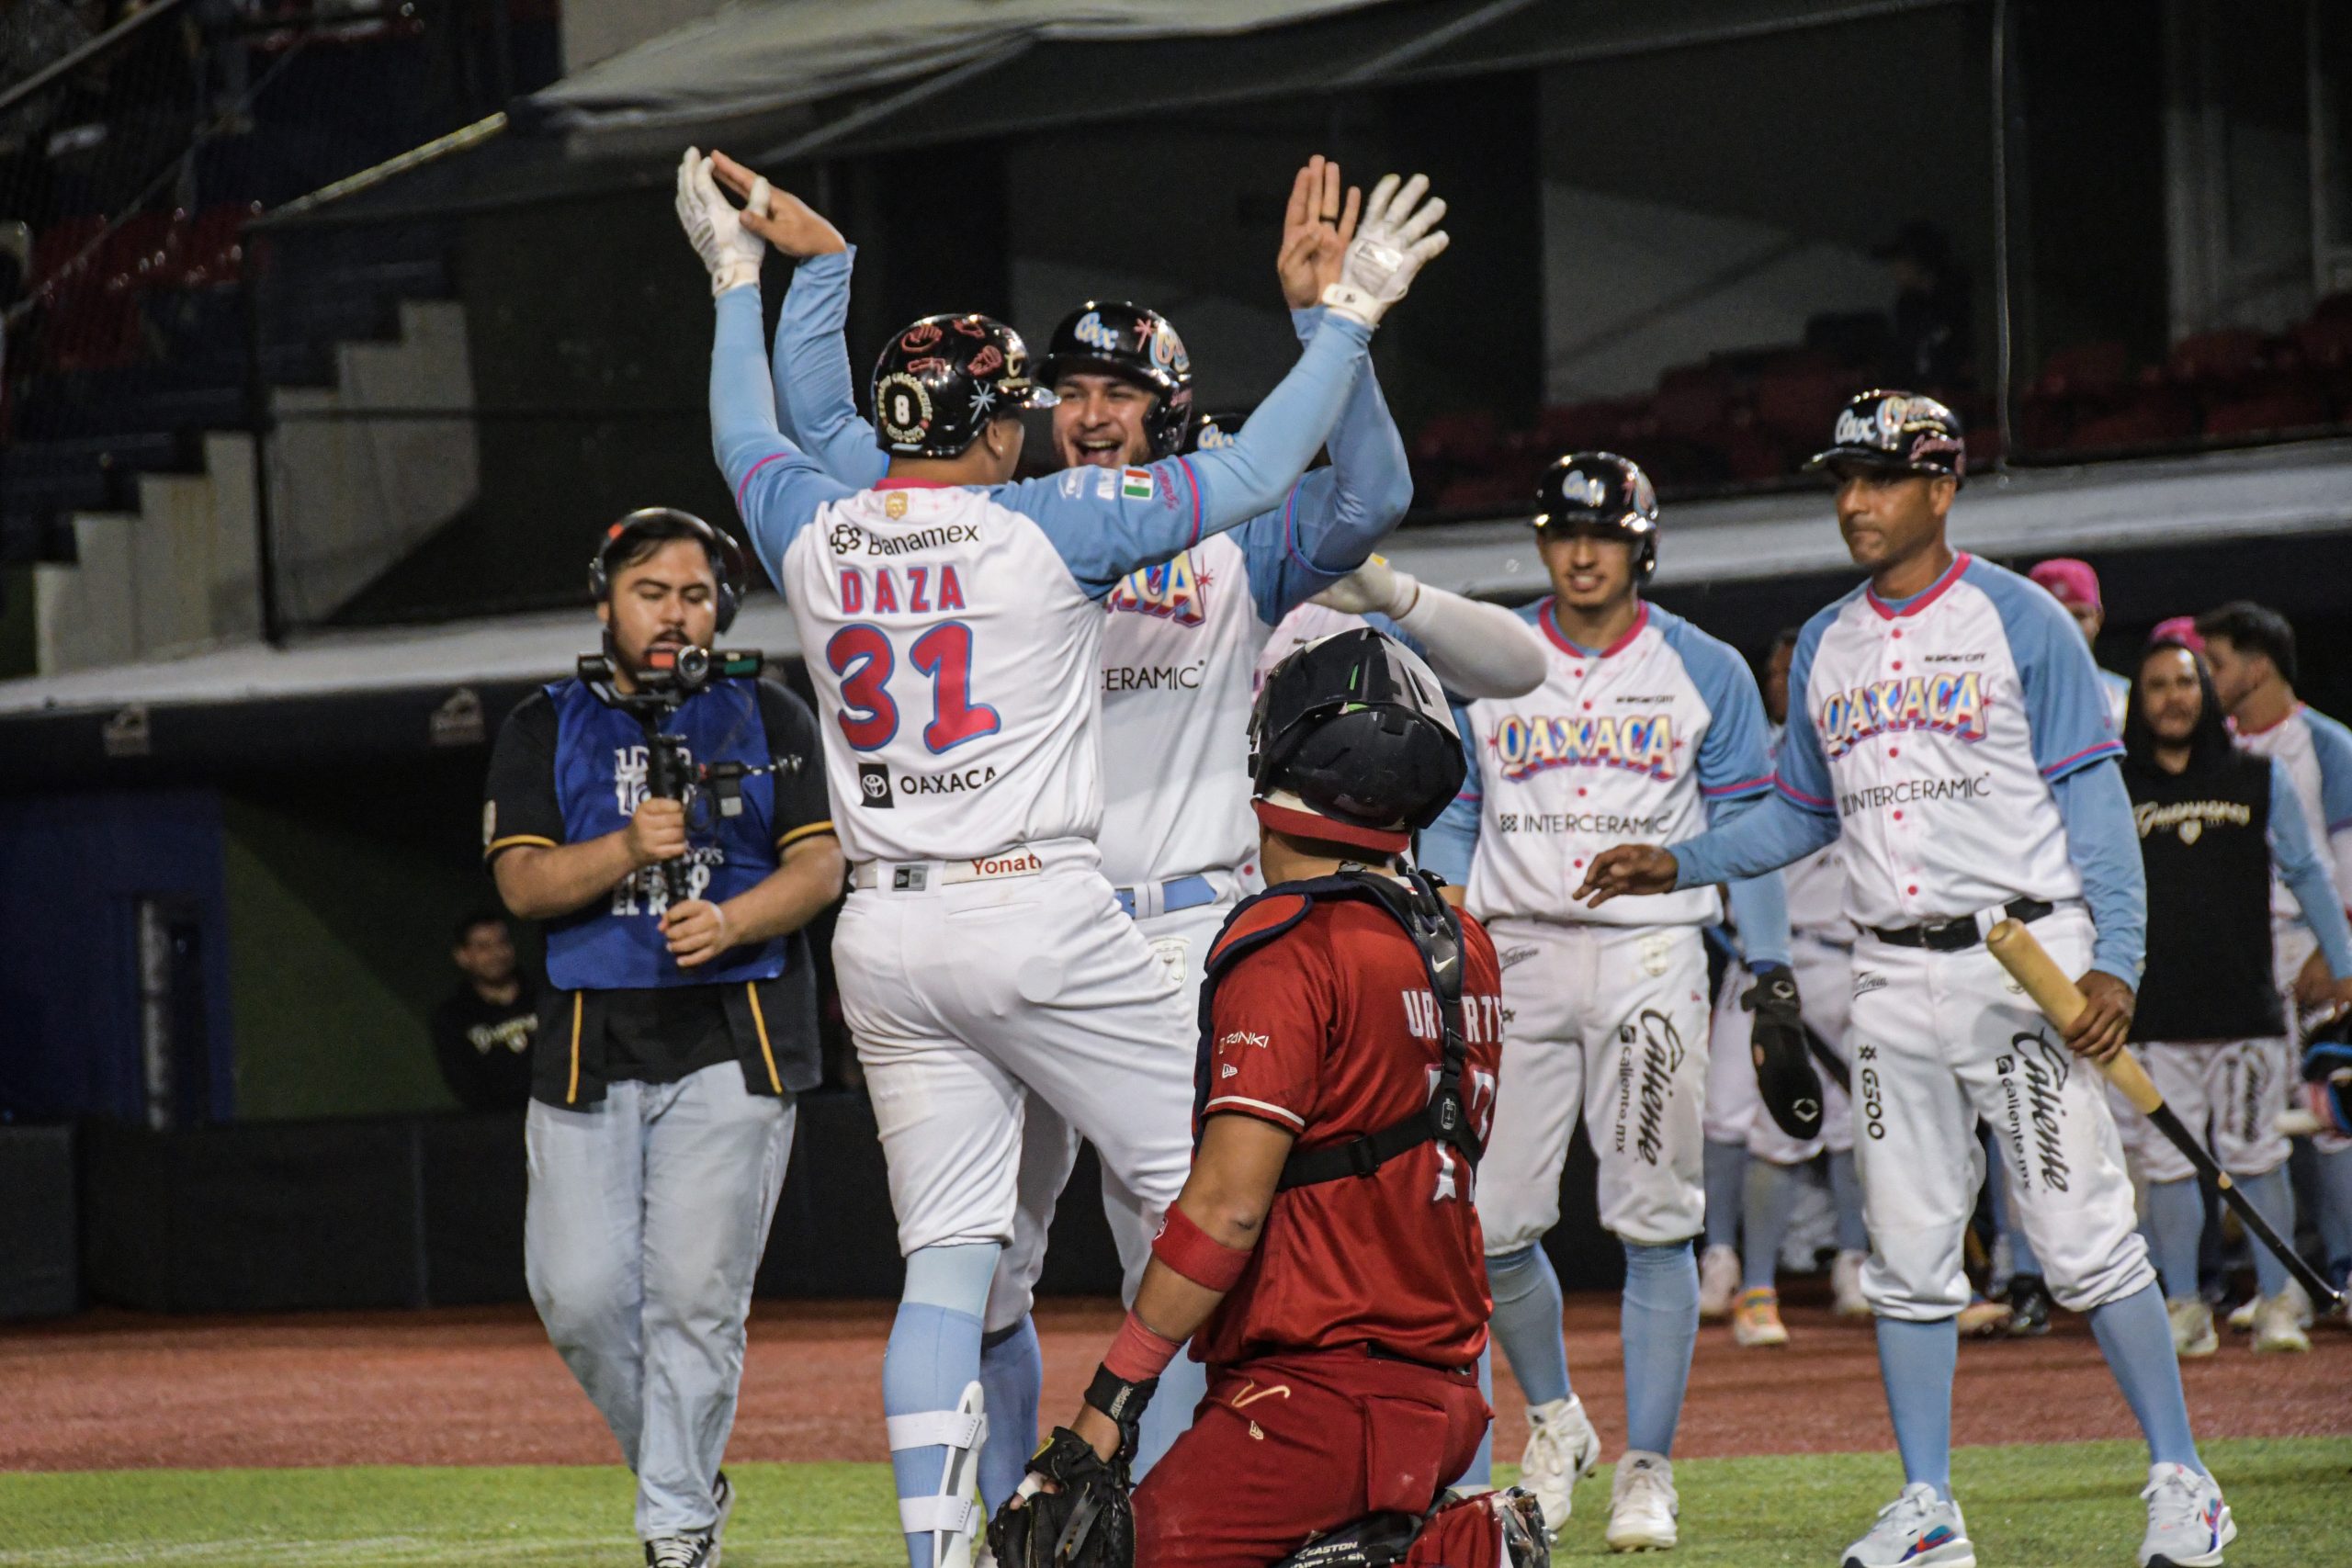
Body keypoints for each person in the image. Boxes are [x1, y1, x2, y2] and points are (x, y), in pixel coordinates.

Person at [718, 150, 1542, 1495]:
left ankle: (1203, 1515)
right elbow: (830, 436)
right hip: (1033, 918)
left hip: (1173, 932)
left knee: (1183, 1246)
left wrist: (1325, 324)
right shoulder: (1000, 515)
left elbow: (1370, 497)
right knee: (997, 1269)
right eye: (1070, 390)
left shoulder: (1227, 532)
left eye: (1123, 391)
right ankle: (1017, 1522)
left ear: (1176, 408)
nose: (1092, 414)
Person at [1577, 389, 2233, 1568]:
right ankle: (1928, 1508)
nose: (1853, 502)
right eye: (1842, 480)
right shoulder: (1827, 641)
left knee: (2082, 1236)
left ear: (1940, 486)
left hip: (2021, 962)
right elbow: (1797, 815)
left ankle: (2185, 1480)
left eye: (1878, 478)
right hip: (1887, 973)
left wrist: (2116, 962)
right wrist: (1680, 859)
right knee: (1909, 1255)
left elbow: (2094, 801)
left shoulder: (2021, 619)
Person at [1004, 628, 1517, 1568]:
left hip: (1319, 1392)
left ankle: (1444, 1555)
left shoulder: (1290, 945)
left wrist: (1108, 1405)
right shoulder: (1463, 939)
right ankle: (1433, 1547)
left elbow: (1228, 1207)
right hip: (1444, 1385)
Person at [1418, 451, 1795, 1550]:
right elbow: (1455, 811)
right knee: (1489, 1225)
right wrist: (1440, 922)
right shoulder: (1494, 656)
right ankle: (1557, 1421)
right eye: (1563, 533)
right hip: (1517, 955)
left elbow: (1749, 827)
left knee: (1654, 1217)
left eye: (1604, 535)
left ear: (1642, 546)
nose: (1582, 554)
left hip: (1650, 957)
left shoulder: (1704, 666)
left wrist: (1768, 966)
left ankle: (1648, 1468)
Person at [483, 507, 843, 1568]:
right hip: (588, 1046)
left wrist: (732, 921)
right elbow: (522, 884)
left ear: (720, 607)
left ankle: (677, 1529)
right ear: (606, 603)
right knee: (581, 1298)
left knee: (695, 1302)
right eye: (651, 593)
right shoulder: (541, 724)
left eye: (694, 595)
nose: (674, 615)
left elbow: (822, 865)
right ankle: (684, 1479)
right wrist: (626, 849)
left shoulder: (771, 711)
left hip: (738, 1036)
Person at [2118, 634, 2352, 1356]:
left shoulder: (2259, 775)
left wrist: (2344, 964)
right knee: (2166, 1167)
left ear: (2207, 693)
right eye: (2158, 685)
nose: (2174, 697)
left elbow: (2309, 871)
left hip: (2244, 1009)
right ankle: (2185, 1304)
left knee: (2256, 1157)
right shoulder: (2115, 785)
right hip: (2155, 1015)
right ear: (2139, 701)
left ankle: (2279, 1303)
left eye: (2186, 682)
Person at [1697, 626, 1871, 1346]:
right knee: (1728, 1114)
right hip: (1763, 961)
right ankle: (1727, 1261)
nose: (1788, 683)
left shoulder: (1862, 749)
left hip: (1849, 955)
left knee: (1853, 1125)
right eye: (1778, 671)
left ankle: (1855, 1261)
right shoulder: (1750, 758)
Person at [2196, 600, 2352, 1321]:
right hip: (2239, 956)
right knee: (2250, 1123)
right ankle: (2283, 1284)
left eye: (2217, 662)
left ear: (2257, 666)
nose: (2206, 676)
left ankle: (2346, 1270)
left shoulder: (2327, 745)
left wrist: (2335, 949)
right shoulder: (2214, 752)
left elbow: (2346, 860)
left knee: (2334, 1115)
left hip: (2312, 946)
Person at [430, 908, 538, 1112]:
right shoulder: (453, 1017)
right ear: (462, 956)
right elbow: (463, 1083)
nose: (496, 954)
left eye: (502, 943)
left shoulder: (546, 996)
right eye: (483, 947)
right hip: (498, 1123)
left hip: (560, 1115)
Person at [2030, 559, 2132, 741]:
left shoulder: (2124, 698)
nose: (2068, 628)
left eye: (2078, 616)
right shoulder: (2008, 695)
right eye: (2055, 617)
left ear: (2098, 619)